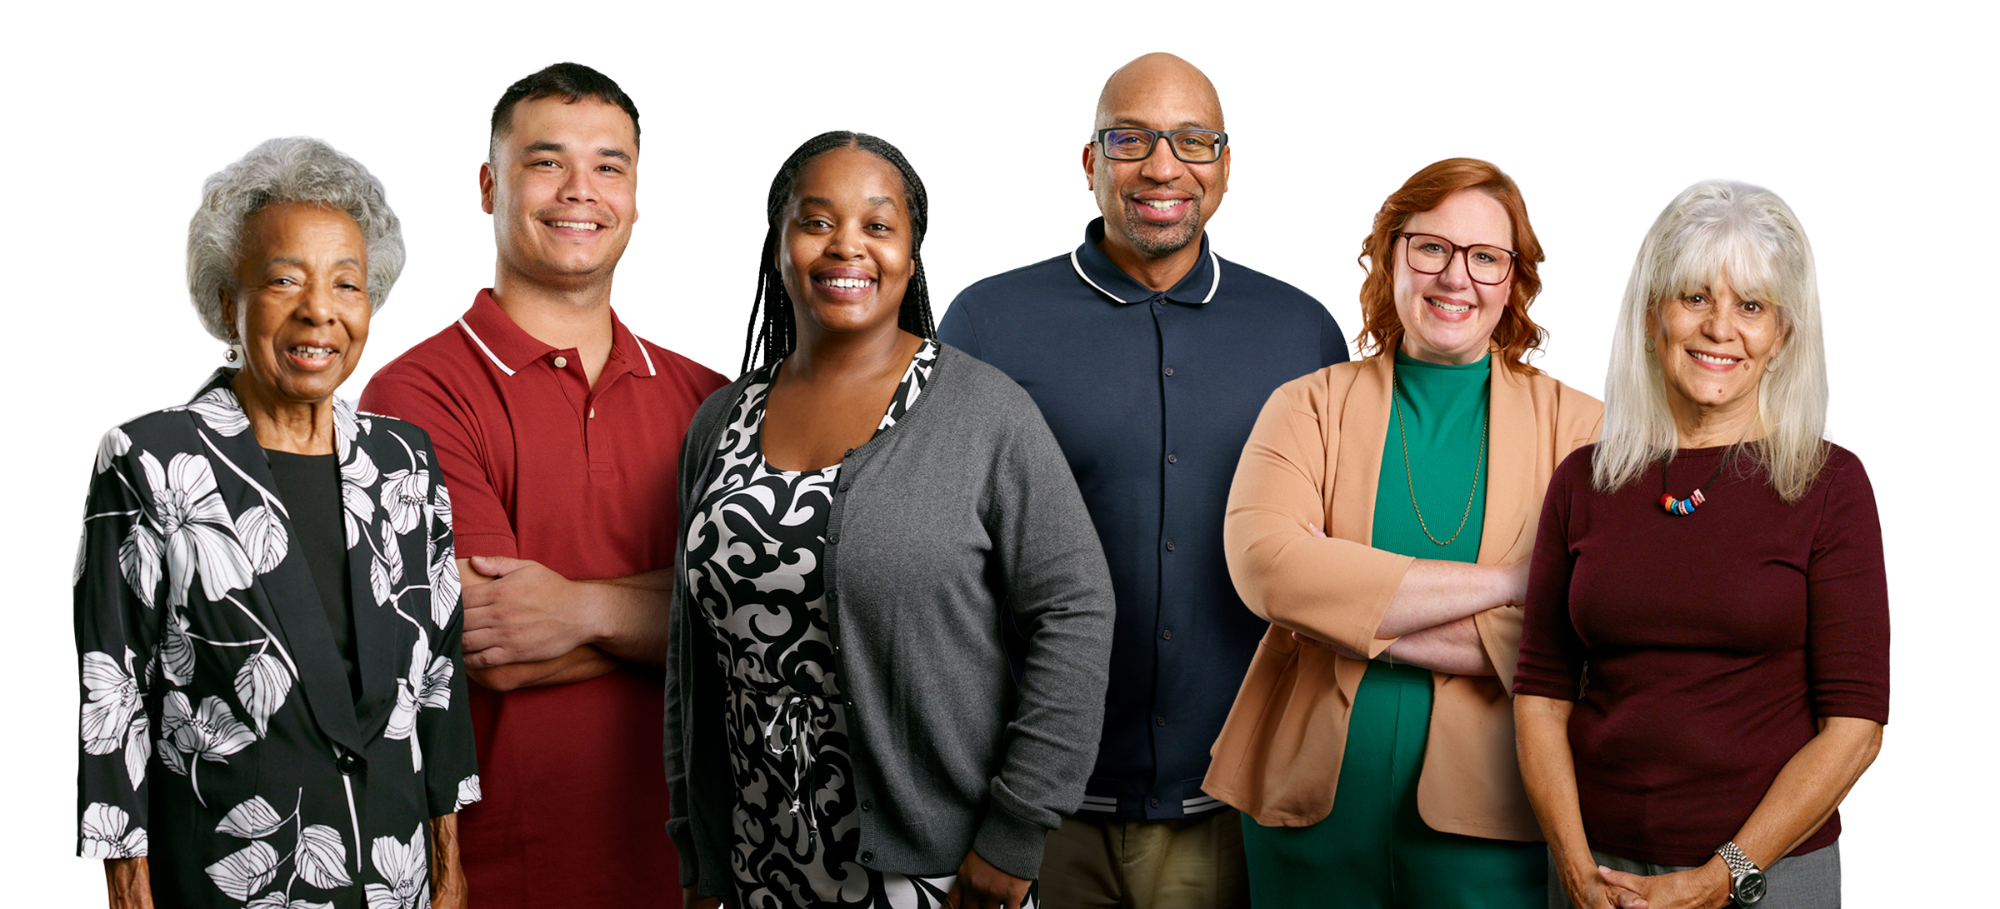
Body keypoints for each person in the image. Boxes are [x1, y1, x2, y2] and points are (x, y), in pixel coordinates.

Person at [936, 51, 1347, 909]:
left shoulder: (1300, 330)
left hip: (1233, 810)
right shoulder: (986, 319)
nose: (1164, 166)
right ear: (1090, 165)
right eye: (1131, 139)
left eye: (1194, 141)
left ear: (1226, 170)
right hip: (1030, 814)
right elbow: (938, 569)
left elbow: (1336, 557)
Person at [666, 131, 1116, 909]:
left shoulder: (985, 412)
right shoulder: (720, 420)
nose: (847, 246)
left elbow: (1076, 611)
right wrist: (701, 851)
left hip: (935, 871)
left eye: (878, 225)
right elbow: (692, 653)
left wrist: (1016, 830)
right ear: (779, 245)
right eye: (816, 221)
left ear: (913, 251)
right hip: (758, 862)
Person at [73, 135, 477, 908]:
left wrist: (448, 866)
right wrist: (124, 887)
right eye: (285, 279)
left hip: (396, 882)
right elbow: (107, 695)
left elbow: (439, 684)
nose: (319, 310)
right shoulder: (150, 459)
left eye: (347, 284)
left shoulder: (406, 463)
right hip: (231, 881)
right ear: (229, 300)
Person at [358, 63, 727, 908]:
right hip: (500, 875)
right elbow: (493, 647)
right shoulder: (417, 392)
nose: (579, 191)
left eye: (609, 166)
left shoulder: (702, 395)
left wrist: (581, 608)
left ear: (636, 199)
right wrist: (683, 613)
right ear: (491, 185)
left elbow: (756, 620)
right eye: (546, 161)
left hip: (691, 876)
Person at [1202, 157, 1602, 908]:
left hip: (1496, 827)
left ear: (1513, 281)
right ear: (1391, 258)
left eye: (1485, 257)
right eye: (1431, 248)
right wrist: (1517, 583)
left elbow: (1593, 625)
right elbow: (1269, 570)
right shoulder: (1306, 405)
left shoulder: (1582, 429)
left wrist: (1338, 618)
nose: (1457, 278)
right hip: (1304, 820)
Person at [1514, 178, 1888, 909]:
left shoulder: (1830, 485)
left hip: (1767, 877)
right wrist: (1574, 864)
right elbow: (1540, 698)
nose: (1721, 328)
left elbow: (1856, 729)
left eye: (1751, 306)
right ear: (1655, 314)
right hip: (1600, 876)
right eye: (1695, 297)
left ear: (1781, 335)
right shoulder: (1583, 480)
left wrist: (1722, 877)